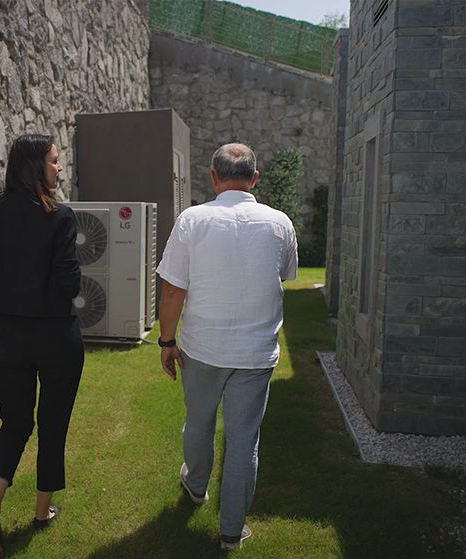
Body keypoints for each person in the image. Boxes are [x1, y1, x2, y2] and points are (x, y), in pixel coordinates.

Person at [154, 143, 298, 551]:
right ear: (255, 178)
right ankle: (232, 531)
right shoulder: (280, 222)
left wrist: (166, 340)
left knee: (198, 422)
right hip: (255, 353)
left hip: (202, 347)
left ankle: (196, 485)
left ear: (213, 177)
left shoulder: (192, 220)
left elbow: (172, 292)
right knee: (243, 441)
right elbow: (285, 274)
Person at [0, 133, 83, 559]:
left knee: (13, 422)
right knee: (52, 424)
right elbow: (70, 282)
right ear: (35, 166)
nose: (59, 167)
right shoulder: (60, 216)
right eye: (54, 161)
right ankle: (40, 511)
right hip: (56, 335)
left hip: (9, 335)